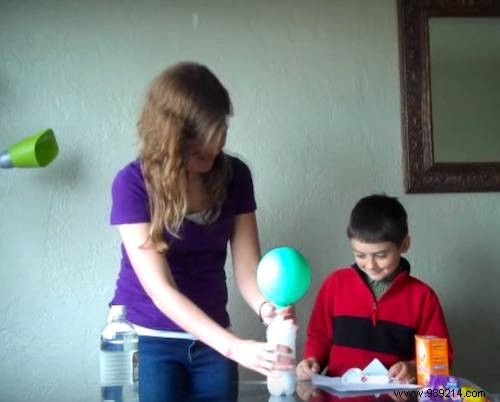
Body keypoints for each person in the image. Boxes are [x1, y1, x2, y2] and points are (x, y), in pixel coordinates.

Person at [109, 61, 293, 402]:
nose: (212, 148)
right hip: (147, 339)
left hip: (213, 337)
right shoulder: (132, 184)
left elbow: (247, 270)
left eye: (219, 132)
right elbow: (161, 290)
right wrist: (234, 347)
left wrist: (267, 308)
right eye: (198, 145)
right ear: (169, 137)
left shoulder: (236, 175)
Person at [296, 194, 453, 384]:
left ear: (404, 245)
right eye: (360, 255)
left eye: (381, 255)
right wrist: (311, 361)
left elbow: (441, 359)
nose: (370, 265)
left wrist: (413, 368)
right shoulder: (335, 285)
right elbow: (319, 337)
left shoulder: (423, 297)